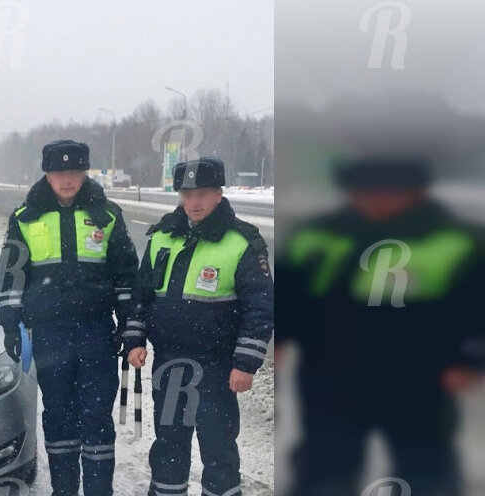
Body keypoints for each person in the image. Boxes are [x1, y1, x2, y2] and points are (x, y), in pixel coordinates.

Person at [275, 157, 485, 495]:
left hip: (420, 379)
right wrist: (280, 336)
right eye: (367, 192)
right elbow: (290, 292)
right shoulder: (320, 235)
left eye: (392, 192)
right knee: (325, 468)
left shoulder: (455, 239)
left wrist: (471, 357)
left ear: (416, 193)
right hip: (331, 377)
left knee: (427, 470)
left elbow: (476, 303)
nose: (378, 201)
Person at [124, 157, 274, 496]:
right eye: (187, 194)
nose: (194, 202)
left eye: (203, 193)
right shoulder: (162, 236)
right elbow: (142, 294)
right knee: (169, 445)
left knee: (218, 447)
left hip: (217, 367)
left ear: (219, 194)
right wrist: (135, 338)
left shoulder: (242, 242)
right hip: (170, 361)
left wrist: (245, 364)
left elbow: (260, 308)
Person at [0, 140, 138, 496]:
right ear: (47, 174)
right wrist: (9, 324)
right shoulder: (25, 218)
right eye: (60, 172)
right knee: (58, 418)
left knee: (96, 419)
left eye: (75, 171)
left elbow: (126, 276)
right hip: (49, 335)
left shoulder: (107, 216)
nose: (68, 179)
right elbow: (11, 277)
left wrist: (128, 324)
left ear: (84, 172)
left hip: (96, 333)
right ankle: (64, 490)